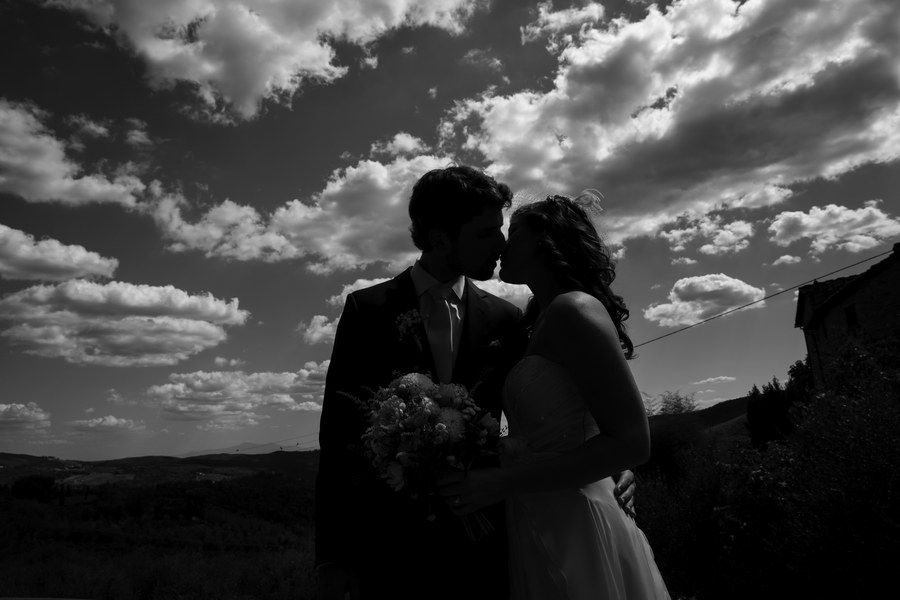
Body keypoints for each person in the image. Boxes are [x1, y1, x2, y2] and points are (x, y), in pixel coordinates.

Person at [315, 167, 636, 600]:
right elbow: (338, 437)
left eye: (503, 230)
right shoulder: (367, 311)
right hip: (391, 549)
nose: (501, 243)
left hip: (490, 543)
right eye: (486, 233)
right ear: (441, 238)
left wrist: (615, 463)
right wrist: (333, 556)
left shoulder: (508, 319)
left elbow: (568, 398)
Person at [438, 192, 670, 599]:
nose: (502, 246)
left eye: (513, 234)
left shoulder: (574, 310)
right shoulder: (535, 323)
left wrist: (502, 481)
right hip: (540, 515)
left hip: (579, 522)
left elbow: (633, 440)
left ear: (545, 243)